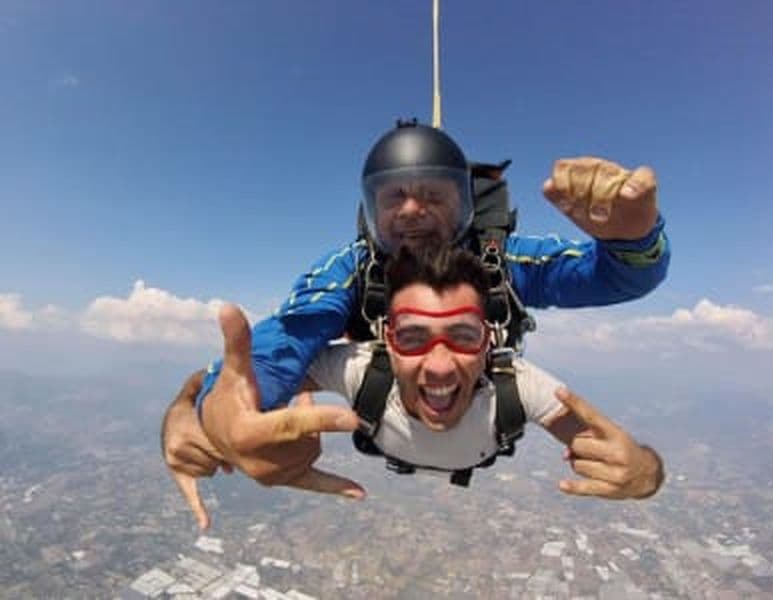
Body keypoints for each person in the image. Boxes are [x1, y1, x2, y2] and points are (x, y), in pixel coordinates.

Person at [163, 120, 670, 525]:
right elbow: (284, 344)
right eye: (394, 197)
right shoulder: (349, 271)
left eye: (432, 195)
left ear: (465, 204)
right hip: (409, 415)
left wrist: (633, 240)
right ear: (371, 210)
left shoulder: (501, 260)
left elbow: (611, 278)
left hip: (474, 416)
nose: (412, 210)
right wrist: (216, 410)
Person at [170, 245, 664, 529]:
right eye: (412, 338)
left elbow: (615, 455)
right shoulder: (360, 368)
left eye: (465, 336)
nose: (441, 366)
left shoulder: (520, 387)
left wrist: (644, 472)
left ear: (490, 341)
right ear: (386, 340)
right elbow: (237, 396)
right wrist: (193, 418)